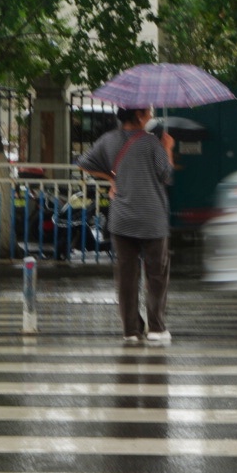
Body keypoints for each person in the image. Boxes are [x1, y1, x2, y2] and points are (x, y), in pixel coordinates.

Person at [77, 106, 176, 344]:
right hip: (152, 218)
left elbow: (84, 163)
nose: (151, 116)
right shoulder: (152, 143)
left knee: (126, 276)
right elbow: (166, 176)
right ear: (138, 116)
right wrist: (168, 149)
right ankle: (156, 328)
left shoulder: (107, 140)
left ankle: (131, 330)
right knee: (156, 274)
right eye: (148, 112)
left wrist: (112, 177)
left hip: (121, 219)